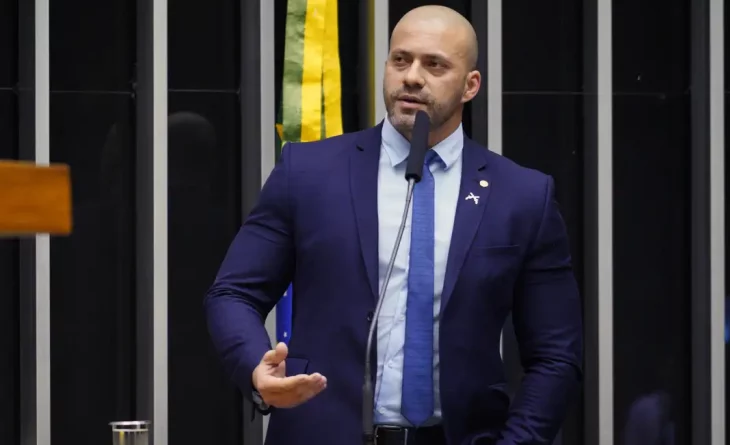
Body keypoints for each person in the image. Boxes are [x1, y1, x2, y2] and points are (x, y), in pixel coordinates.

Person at [205, 5, 582, 445]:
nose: (412, 77)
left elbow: (556, 355)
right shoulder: (308, 172)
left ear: (471, 85)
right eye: (400, 60)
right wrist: (257, 369)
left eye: (435, 65)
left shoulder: (522, 195)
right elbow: (233, 293)